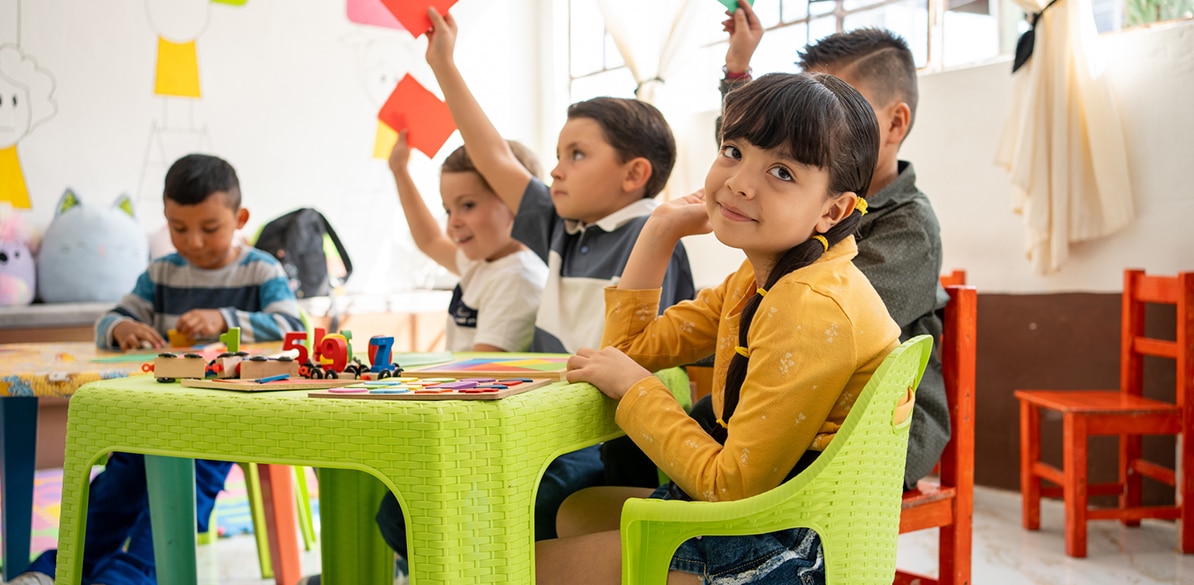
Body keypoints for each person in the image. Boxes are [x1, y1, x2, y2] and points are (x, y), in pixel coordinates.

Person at [535, 71, 901, 585]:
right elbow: (627, 351)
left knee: (524, 569)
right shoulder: (762, 277)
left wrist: (638, 391)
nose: (739, 182)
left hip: (785, 543)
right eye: (733, 150)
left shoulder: (810, 304)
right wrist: (659, 230)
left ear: (832, 210)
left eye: (782, 172)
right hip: (764, 515)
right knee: (576, 509)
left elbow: (730, 488)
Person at [6, 154, 303, 585]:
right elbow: (109, 319)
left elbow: (291, 326)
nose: (194, 242)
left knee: (182, 493)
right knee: (115, 489)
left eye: (210, 228)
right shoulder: (161, 272)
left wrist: (225, 318)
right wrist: (124, 326)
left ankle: (130, 577)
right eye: (178, 229)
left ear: (239, 218)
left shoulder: (261, 269)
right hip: (152, 418)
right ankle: (53, 571)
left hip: (223, 424)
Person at [719, 2, 950, 489]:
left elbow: (810, 327)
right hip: (797, 391)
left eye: (841, 105)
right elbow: (753, 145)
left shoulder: (910, 226)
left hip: (874, 433)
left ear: (894, 123)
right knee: (693, 414)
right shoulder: (797, 201)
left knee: (703, 425)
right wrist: (738, 69)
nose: (812, 124)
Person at [388, 128, 547, 352]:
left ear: (515, 202)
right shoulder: (484, 262)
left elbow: (482, 368)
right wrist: (400, 171)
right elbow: (430, 240)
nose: (453, 222)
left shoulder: (516, 280)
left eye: (467, 205)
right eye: (448, 209)